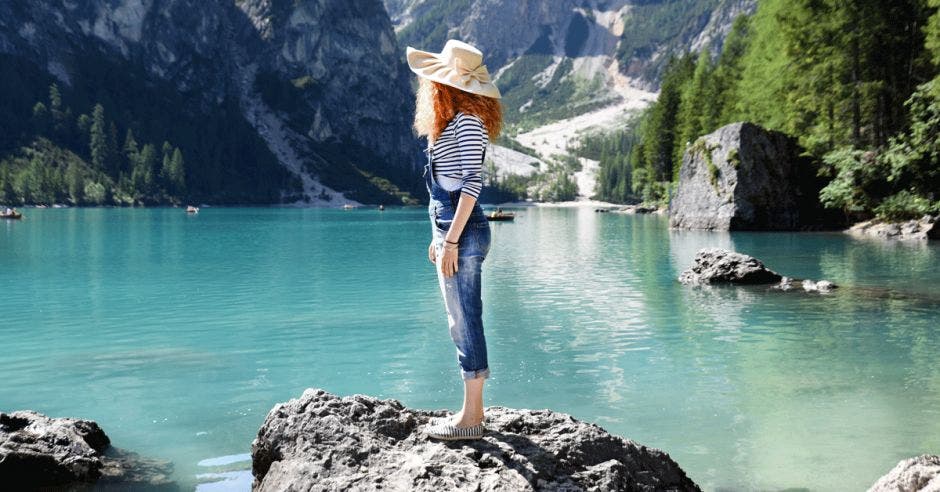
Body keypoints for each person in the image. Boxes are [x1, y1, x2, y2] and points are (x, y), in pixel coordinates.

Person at [407, 39, 502, 440]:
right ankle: (472, 411)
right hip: (449, 227)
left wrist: (450, 240)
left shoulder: (466, 121)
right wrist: (438, 234)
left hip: (462, 230)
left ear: (445, 83)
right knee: (459, 319)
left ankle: (471, 420)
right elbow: (442, 188)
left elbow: (470, 186)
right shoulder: (451, 118)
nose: (427, 85)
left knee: (465, 321)